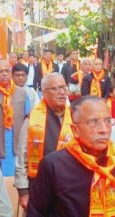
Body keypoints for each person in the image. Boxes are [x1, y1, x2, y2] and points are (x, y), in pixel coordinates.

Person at [16, 73, 73, 209]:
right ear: (45, 93)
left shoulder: (75, 117)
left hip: (70, 186)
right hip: (40, 186)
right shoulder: (32, 120)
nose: (62, 92)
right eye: (56, 89)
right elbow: (22, 158)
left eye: (64, 87)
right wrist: (23, 192)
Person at [0, 60, 32, 176]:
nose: (4, 74)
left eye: (6, 71)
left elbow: (28, 119)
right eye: (0, 72)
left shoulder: (22, 93)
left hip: (18, 147)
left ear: (11, 73)